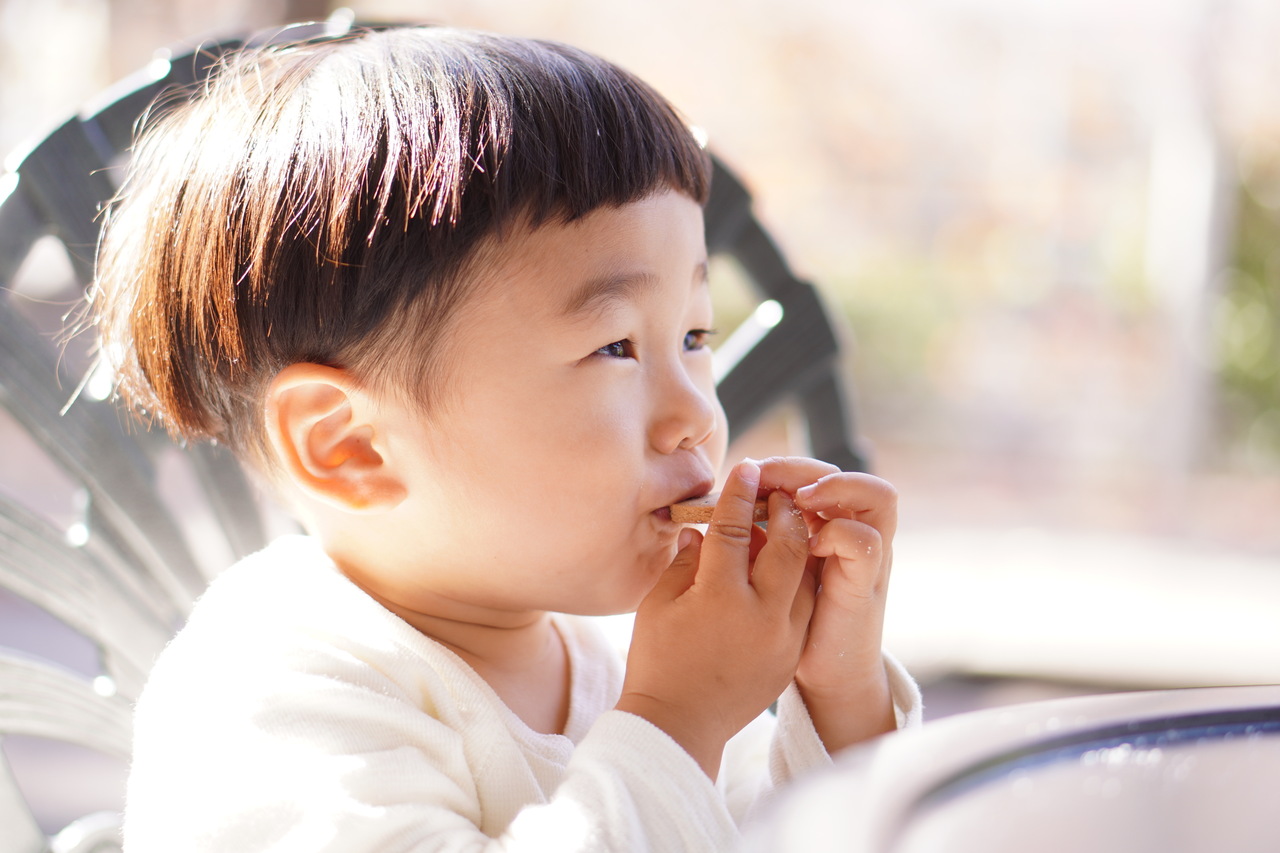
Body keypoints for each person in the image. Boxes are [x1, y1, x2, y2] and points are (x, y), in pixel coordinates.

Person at [90, 25, 921, 852]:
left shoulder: (619, 657)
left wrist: (839, 696)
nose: (697, 414)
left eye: (696, 336)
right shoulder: (267, 694)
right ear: (351, 445)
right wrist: (676, 723)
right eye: (614, 346)